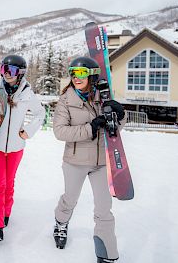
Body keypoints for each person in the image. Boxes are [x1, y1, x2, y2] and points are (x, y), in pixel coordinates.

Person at [52, 56, 126, 263]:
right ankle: (60, 222)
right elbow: (59, 131)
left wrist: (121, 115)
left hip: (101, 161)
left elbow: (114, 128)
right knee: (70, 199)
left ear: (91, 75)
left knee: (104, 208)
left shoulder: (103, 97)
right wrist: (91, 127)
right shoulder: (66, 100)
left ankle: (107, 255)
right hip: (75, 160)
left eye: (82, 73)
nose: (76, 77)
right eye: (73, 73)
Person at [0, 54, 45, 241]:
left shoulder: (27, 94)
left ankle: (6, 212)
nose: (6, 74)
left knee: (9, 182)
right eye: (4, 69)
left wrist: (28, 131)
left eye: (10, 70)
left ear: (20, 73)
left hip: (16, 147)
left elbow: (40, 113)